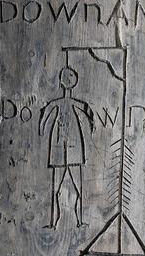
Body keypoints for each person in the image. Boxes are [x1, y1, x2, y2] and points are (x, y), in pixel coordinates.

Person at [40, 66, 95, 229]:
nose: (70, 80)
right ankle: (55, 222)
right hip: (60, 148)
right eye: (68, 77)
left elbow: (88, 112)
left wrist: (92, 124)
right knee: (56, 190)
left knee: (76, 189)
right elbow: (45, 113)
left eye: (71, 77)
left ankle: (77, 221)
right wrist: (41, 127)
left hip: (73, 148)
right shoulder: (60, 103)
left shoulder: (73, 103)